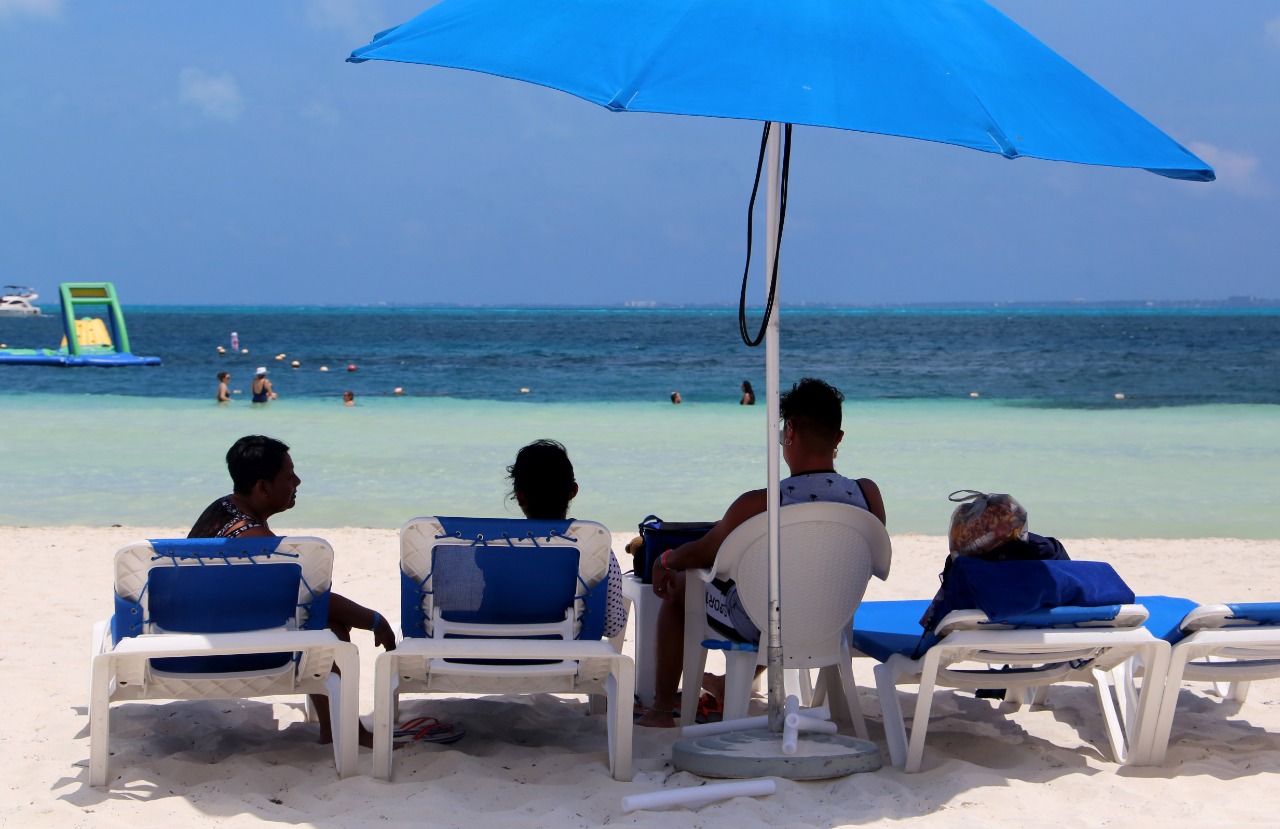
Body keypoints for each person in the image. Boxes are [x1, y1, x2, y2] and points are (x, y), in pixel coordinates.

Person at [635, 378, 886, 728]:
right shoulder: (867, 495)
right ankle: (725, 685)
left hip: (767, 625)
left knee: (682, 587)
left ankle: (662, 709)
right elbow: (874, 561)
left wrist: (665, 560)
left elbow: (703, 554)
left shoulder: (760, 503)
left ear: (789, 433)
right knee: (788, 592)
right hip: (832, 619)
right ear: (838, 438)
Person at [189, 435, 396, 746]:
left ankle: (337, 727)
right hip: (228, 653)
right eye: (289, 476)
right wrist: (375, 621)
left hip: (197, 636)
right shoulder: (255, 542)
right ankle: (345, 730)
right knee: (321, 623)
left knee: (322, 620)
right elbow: (310, 601)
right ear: (262, 487)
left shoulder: (220, 510)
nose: (297, 481)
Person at [507, 439, 627, 640]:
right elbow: (612, 625)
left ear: (520, 497)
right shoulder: (595, 550)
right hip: (568, 666)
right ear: (573, 491)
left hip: (492, 660)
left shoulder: (491, 547)